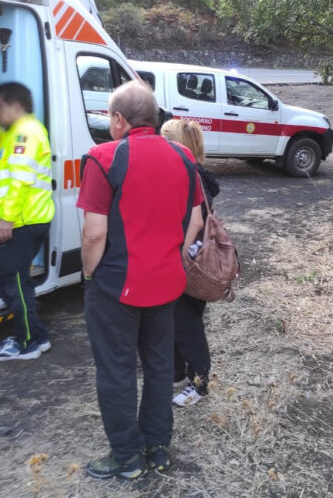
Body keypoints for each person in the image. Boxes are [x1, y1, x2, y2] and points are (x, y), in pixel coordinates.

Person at [78, 82, 204, 481]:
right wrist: (174, 257)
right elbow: (196, 218)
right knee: (159, 363)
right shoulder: (183, 157)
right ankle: (157, 446)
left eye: (109, 118)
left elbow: (94, 234)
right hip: (166, 284)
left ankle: (127, 457)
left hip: (116, 287)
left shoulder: (103, 158)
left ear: (119, 119)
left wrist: (88, 273)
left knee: (115, 369)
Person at [0, 83, 54, 361]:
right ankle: (36, 335)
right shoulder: (17, 132)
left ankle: (28, 342)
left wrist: (7, 219)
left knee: (14, 283)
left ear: (16, 105)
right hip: (24, 219)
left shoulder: (25, 132)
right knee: (2, 278)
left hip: (22, 220)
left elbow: (20, 181)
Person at [159, 119, 220, 407]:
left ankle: (200, 384)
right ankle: (178, 374)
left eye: (164, 139)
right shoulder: (193, 172)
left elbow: (194, 222)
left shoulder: (189, 174)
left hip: (190, 261)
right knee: (176, 319)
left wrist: (179, 256)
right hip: (192, 257)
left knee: (188, 323)